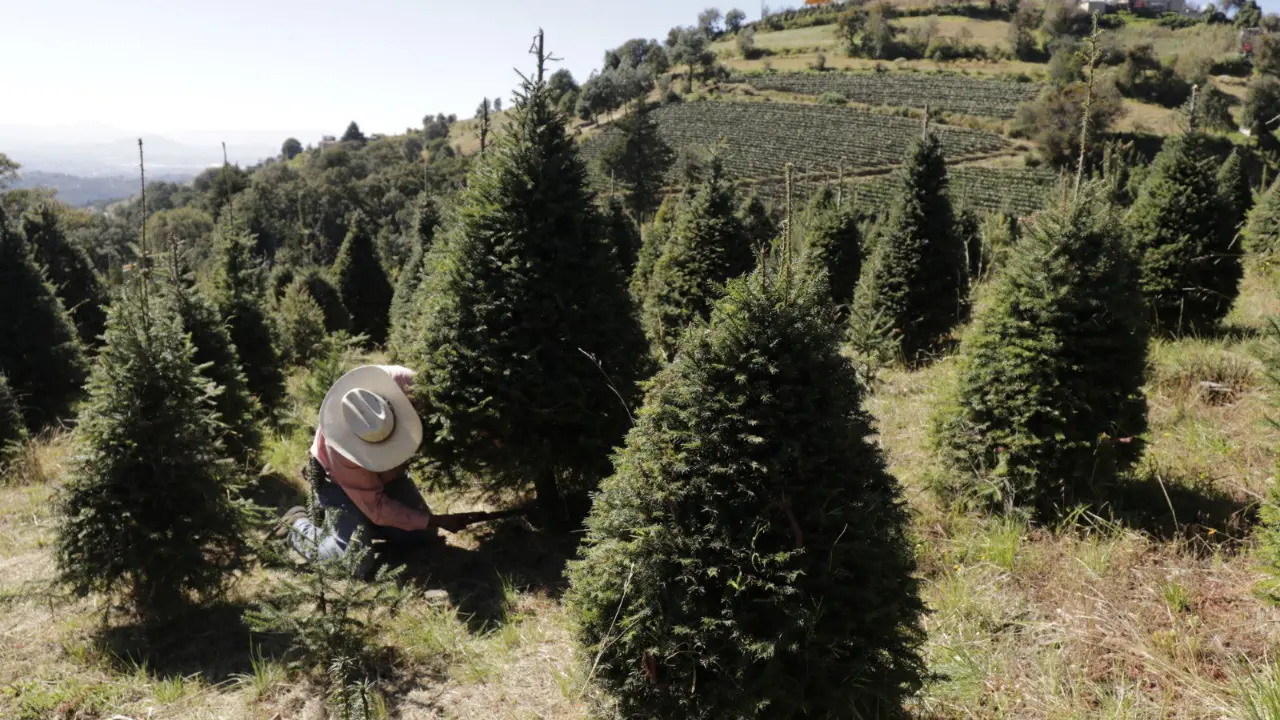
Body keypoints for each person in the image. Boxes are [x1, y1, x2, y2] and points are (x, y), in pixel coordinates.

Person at [282, 364, 463, 578]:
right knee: (354, 562)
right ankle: (296, 525)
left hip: (388, 476)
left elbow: (447, 398)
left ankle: (354, 526)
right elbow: (377, 507)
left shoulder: (401, 382)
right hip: (339, 485)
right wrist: (438, 519)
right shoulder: (342, 452)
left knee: (423, 534)